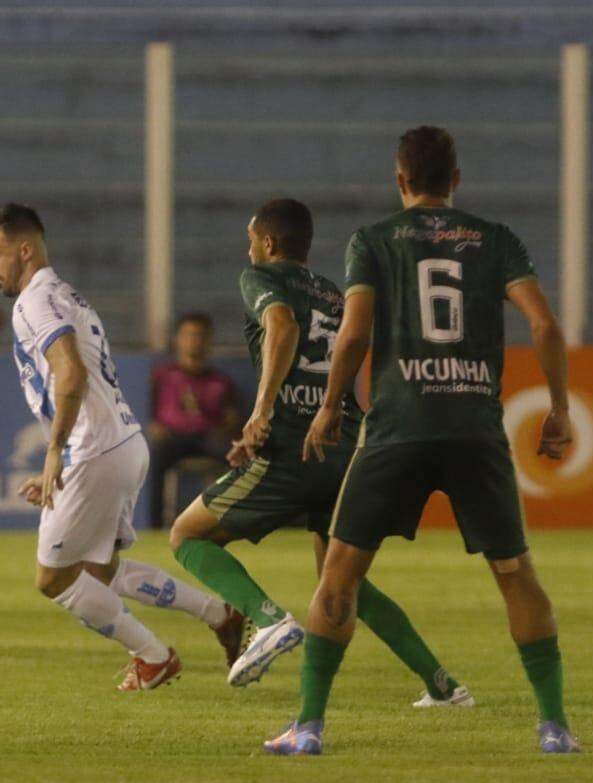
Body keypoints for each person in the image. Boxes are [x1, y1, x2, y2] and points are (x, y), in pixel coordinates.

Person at [265, 126, 578, 756]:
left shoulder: (373, 241)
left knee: (340, 574)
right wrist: (559, 409)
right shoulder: (496, 240)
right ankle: (554, 728)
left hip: (398, 428)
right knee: (515, 574)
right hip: (474, 429)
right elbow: (543, 323)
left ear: (400, 178)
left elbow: (353, 336)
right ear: (456, 180)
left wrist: (329, 406)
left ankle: (309, 727)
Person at [169, 198, 469, 707]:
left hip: (291, 447)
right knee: (342, 580)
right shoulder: (333, 293)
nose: (248, 248)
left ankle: (267, 621)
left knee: (187, 536)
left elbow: (282, 327)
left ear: (266, 242)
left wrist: (262, 410)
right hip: (345, 447)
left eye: (250, 239)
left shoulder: (259, 277)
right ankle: (441, 684)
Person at [0, 203, 247, 691]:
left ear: (25, 249)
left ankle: (154, 656)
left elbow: (70, 372)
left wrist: (55, 452)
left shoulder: (33, 302)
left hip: (93, 448)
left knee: (53, 579)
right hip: (124, 442)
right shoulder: (69, 296)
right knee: (101, 570)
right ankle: (220, 615)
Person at [147, 313, 240, 527]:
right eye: (188, 335)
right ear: (177, 339)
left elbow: (231, 418)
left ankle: (228, 523)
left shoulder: (221, 381)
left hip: (208, 439)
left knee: (236, 458)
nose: (194, 340)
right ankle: (155, 525)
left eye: (200, 335)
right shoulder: (162, 376)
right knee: (155, 455)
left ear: (208, 341)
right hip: (173, 439)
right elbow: (151, 412)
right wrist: (156, 427)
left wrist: (228, 426)